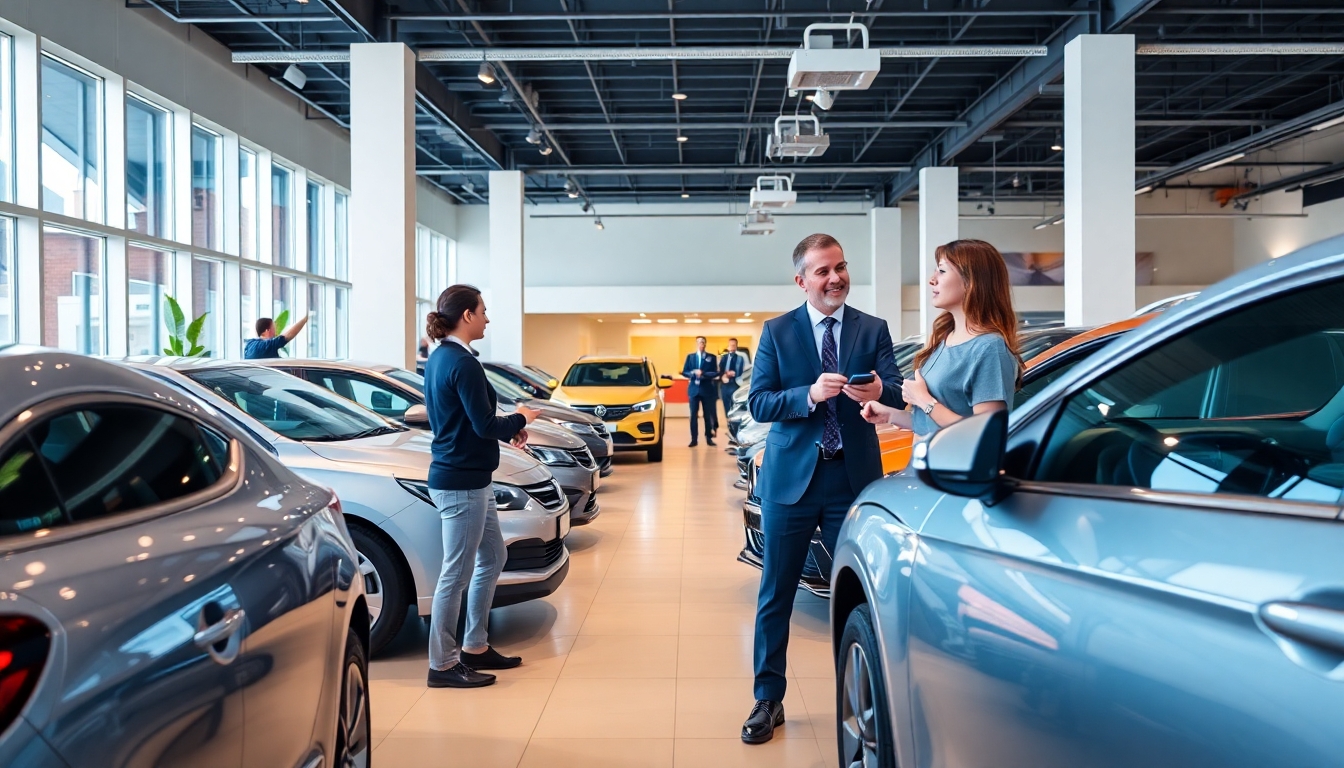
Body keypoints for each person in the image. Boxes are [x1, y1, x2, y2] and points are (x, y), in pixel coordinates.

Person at [743, 233, 904, 744]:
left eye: (840, 267)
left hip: (853, 482)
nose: (835, 277)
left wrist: (881, 391)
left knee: (861, 596)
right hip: (789, 483)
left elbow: (897, 390)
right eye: (822, 271)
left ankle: (866, 695)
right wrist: (807, 395)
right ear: (801, 280)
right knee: (776, 594)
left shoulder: (872, 328)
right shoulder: (777, 332)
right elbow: (760, 404)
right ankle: (768, 699)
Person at [422, 284, 541, 689]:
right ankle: (442, 664)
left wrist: (510, 431)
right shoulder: (461, 362)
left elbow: (473, 418)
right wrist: (521, 418)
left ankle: (475, 644)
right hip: (461, 483)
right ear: (467, 316)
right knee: (456, 574)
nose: (488, 318)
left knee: (493, 555)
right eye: (484, 311)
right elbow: (484, 425)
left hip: (470, 479)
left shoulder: (442, 357)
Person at [861, 239, 1022, 438]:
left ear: (971, 282)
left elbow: (986, 434)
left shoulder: (989, 348)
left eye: (942, 271)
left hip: (955, 468)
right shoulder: (946, 339)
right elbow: (930, 423)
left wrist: (924, 401)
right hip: (924, 466)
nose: (932, 280)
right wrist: (891, 415)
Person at [682, 335, 719, 447]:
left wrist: (703, 373)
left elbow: (715, 373)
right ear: (696, 344)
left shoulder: (711, 357)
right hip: (694, 390)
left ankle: (709, 438)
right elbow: (685, 371)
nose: (700, 344)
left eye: (702, 342)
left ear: (705, 344)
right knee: (693, 415)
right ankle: (694, 439)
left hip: (706, 390)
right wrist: (693, 373)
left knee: (707, 415)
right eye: (698, 342)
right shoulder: (690, 357)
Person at [243, 314, 309, 359]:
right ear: (267, 330)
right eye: (274, 328)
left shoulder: (249, 344)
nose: (276, 332)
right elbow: (287, 336)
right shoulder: (267, 345)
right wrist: (304, 320)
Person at [718, 337, 747, 424]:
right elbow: (720, 370)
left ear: (736, 346)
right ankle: (728, 419)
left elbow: (741, 371)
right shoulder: (724, 358)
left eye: (734, 345)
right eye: (731, 345)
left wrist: (733, 373)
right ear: (728, 346)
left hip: (735, 384)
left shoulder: (740, 358)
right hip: (725, 384)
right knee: (726, 403)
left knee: (734, 403)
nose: (732, 347)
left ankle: (734, 420)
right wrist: (724, 374)